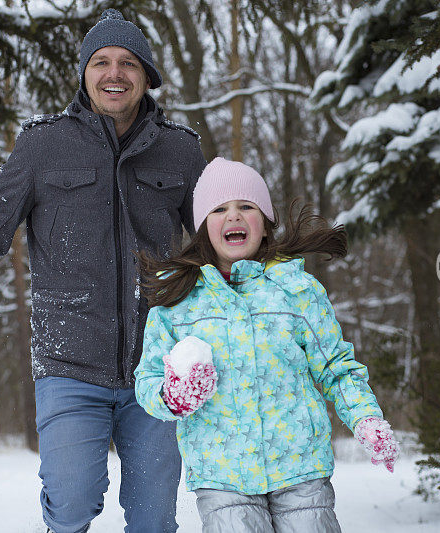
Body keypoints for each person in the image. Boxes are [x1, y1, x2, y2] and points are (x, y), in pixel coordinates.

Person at [0, 9, 206, 533]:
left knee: (154, 518)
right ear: (84, 73)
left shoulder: (179, 150)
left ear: (148, 76)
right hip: (69, 361)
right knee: (70, 503)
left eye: (128, 63)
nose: (114, 73)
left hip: (159, 361)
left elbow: (217, 240)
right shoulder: (43, 144)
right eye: (101, 62)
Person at [134, 158, 399, 532]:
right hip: (222, 473)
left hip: (300, 466)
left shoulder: (297, 290)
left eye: (247, 206)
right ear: (202, 226)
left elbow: (337, 369)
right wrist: (174, 397)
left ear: (266, 220)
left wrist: (365, 418)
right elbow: (147, 381)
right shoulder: (179, 302)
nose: (234, 217)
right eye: (219, 209)